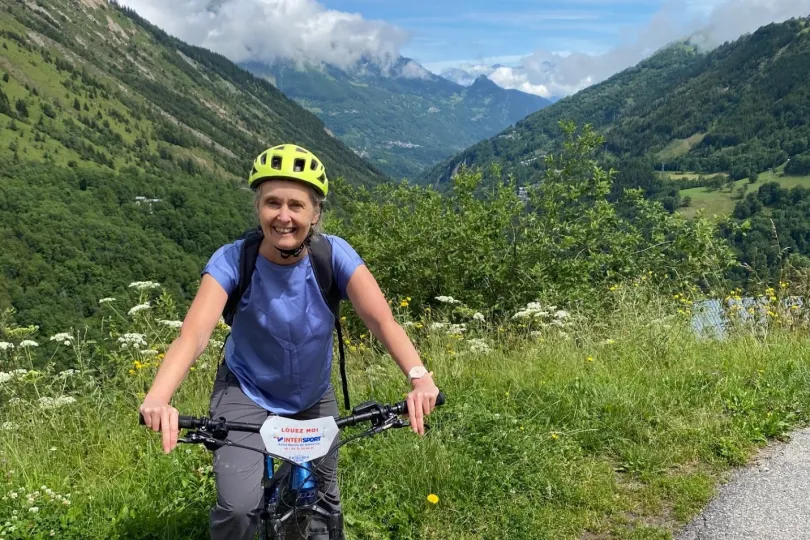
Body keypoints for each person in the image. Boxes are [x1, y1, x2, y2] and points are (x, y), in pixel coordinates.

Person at [139, 144, 441, 540]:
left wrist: (419, 378)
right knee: (238, 509)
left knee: (322, 503)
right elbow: (193, 336)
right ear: (258, 208)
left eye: (296, 205)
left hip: (312, 394)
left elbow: (381, 320)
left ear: (315, 214)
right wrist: (159, 397)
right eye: (272, 203)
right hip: (245, 391)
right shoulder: (233, 261)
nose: (283, 216)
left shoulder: (333, 257)